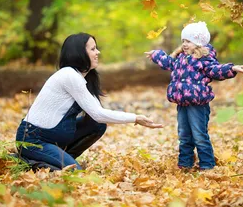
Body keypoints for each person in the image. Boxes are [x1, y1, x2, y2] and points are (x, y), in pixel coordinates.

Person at [16, 33, 162, 171]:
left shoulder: (82, 77)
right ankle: (31, 163)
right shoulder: (69, 75)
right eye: (93, 49)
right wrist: (135, 118)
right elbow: (98, 113)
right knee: (74, 172)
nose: (97, 52)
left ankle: (62, 160)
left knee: (96, 125)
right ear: (79, 53)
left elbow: (97, 116)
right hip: (33, 141)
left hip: (51, 139)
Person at [145, 22, 243, 170]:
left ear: (198, 43)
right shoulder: (181, 58)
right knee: (184, 135)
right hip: (182, 103)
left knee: (199, 136)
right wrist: (157, 55)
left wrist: (231, 68)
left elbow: (215, 70)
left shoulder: (204, 60)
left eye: (188, 41)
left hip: (198, 105)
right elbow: (168, 62)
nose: (184, 44)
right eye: (183, 41)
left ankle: (207, 165)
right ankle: (185, 164)